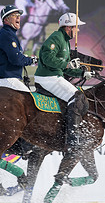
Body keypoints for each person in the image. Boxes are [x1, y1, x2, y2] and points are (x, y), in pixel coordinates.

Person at [34, 13, 95, 152]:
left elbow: (64, 68)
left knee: (80, 96)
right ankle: (73, 138)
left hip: (55, 76)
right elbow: (46, 57)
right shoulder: (56, 37)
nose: (78, 30)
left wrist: (81, 73)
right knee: (77, 97)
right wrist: (66, 64)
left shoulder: (65, 41)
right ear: (68, 27)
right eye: (76, 27)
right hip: (47, 77)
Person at [0, 5, 38, 92]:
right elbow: (16, 59)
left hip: (7, 79)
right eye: (14, 15)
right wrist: (32, 60)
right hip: (5, 79)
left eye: (19, 15)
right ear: (6, 19)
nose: (18, 17)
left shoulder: (9, 34)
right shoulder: (7, 35)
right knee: (29, 100)